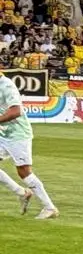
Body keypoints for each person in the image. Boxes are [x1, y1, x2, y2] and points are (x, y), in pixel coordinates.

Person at [0, 72, 58, 219]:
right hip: (3, 133)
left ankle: (49, 208)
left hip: (17, 134)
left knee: (24, 172)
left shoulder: (6, 85)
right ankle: (22, 192)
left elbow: (16, 111)